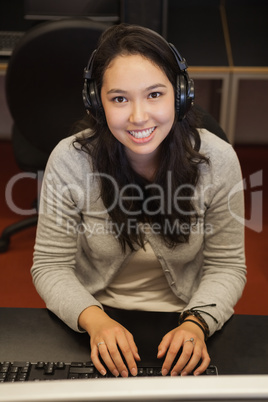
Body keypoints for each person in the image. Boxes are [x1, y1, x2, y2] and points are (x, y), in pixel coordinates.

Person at [31, 23, 246, 378]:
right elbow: (49, 265)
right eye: (119, 98)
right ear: (96, 102)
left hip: (186, 319)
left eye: (154, 95)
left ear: (180, 94)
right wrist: (96, 321)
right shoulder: (70, 159)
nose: (138, 116)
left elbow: (227, 267)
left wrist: (197, 324)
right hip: (93, 319)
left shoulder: (218, 160)